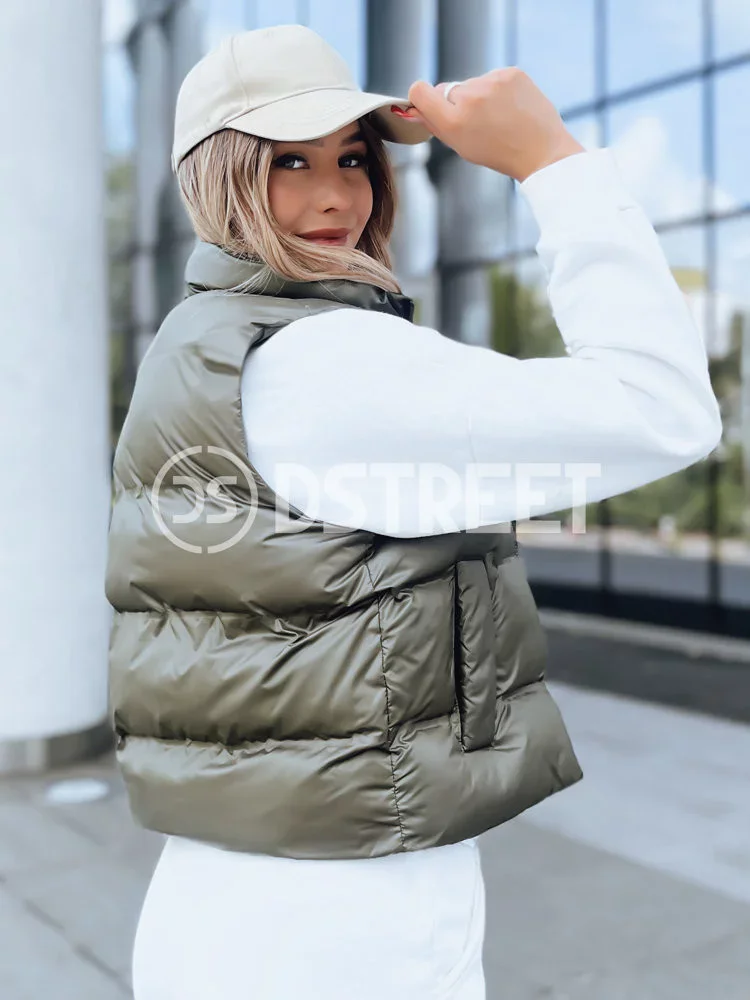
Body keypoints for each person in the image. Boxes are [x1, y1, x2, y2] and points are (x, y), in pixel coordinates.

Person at [105, 23, 722, 1000]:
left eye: (352, 158)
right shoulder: (327, 361)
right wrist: (551, 162)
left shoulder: (201, 340)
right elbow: (664, 407)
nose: (335, 196)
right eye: (288, 162)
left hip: (216, 894)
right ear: (216, 179)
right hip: (345, 918)